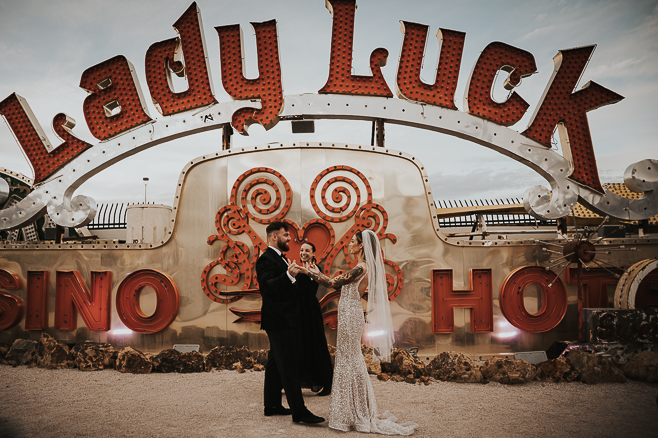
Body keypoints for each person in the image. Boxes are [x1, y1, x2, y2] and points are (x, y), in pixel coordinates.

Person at [302, 230, 418, 435]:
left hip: (350, 314)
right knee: (349, 358)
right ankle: (352, 410)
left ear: (361, 246)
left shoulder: (361, 267)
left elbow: (332, 283)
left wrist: (309, 272)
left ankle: (354, 412)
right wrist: (315, 272)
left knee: (350, 359)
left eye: (353, 242)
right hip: (350, 313)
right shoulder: (363, 267)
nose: (349, 245)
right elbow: (333, 282)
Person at [255, 221, 325, 424]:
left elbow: (290, 290)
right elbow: (267, 288)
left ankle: (272, 405)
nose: (289, 239)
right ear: (274, 237)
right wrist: (288, 275)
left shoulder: (282, 259)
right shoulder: (265, 260)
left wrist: (304, 275)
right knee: (289, 366)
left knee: (275, 364)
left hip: (285, 319)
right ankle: (299, 412)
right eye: (286, 235)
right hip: (279, 321)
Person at [296, 241, 334, 396]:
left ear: (313, 254)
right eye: (301, 250)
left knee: (316, 345)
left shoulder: (314, 268)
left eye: (307, 250)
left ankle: (326, 383)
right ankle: (299, 381)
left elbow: (321, 281)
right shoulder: (299, 268)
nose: (303, 252)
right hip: (299, 310)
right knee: (300, 345)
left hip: (310, 311)